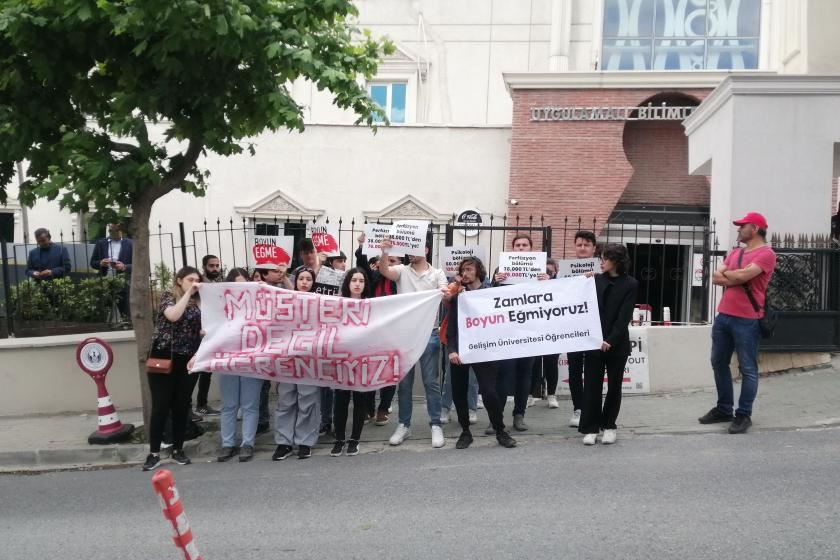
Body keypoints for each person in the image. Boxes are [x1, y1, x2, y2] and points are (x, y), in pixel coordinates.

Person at [700, 212, 777, 435]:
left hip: (747, 318)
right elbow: (715, 277)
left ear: (754, 228)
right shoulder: (735, 252)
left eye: (742, 226)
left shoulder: (766, 254)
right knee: (718, 362)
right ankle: (724, 409)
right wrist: (737, 275)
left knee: (748, 368)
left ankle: (743, 415)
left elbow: (742, 277)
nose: (738, 230)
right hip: (723, 315)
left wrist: (732, 275)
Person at [378, 236, 452, 449]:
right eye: (407, 248)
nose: (409, 252)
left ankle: (435, 424)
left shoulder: (437, 273)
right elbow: (385, 271)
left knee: (431, 382)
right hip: (405, 335)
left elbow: (445, 296)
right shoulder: (401, 270)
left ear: (426, 249)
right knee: (404, 383)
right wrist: (384, 253)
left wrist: (447, 294)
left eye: (414, 248)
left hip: (429, 333)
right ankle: (404, 424)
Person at [447, 257, 517, 449]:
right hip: (461, 350)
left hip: (485, 350)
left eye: (469, 269)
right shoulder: (458, 296)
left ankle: (500, 430)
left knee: (489, 392)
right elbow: (451, 326)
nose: (465, 273)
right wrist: (452, 350)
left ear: (478, 271)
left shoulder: (489, 293)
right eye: (463, 270)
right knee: (459, 393)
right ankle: (465, 432)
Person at [142, 266, 203, 471]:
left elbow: (200, 329)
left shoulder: (198, 303)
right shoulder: (168, 296)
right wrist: (188, 293)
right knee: (160, 406)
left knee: (181, 406)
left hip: (187, 360)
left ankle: (178, 449)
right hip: (164, 358)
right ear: (179, 280)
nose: (194, 283)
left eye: (197, 280)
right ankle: (154, 453)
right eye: (190, 279)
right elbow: (173, 316)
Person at [579, 244, 638, 445]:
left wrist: (610, 339)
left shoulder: (631, 284)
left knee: (614, 386)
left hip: (617, 344)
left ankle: (609, 426)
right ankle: (590, 428)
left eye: (604, 258)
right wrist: (582, 281)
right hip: (594, 342)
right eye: (600, 258)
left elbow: (624, 316)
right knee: (592, 387)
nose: (601, 262)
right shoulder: (594, 280)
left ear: (616, 260)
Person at [489, 233, 548, 433]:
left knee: (525, 374)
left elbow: (552, 296)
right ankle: (496, 418)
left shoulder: (541, 271)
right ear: (512, 249)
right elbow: (488, 298)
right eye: (517, 245)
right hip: (506, 331)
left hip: (530, 330)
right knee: (503, 375)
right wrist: (496, 281)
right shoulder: (501, 270)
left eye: (524, 245)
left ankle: (519, 415)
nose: (521, 248)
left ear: (530, 249)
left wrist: (548, 281)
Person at [272, 267, 321, 460]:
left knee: (307, 401)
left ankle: (305, 442)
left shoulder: (319, 304)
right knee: (286, 401)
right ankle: (284, 443)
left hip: (308, 360)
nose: (305, 282)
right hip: (286, 360)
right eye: (301, 278)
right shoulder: (284, 303)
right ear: (296, 281)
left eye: (309, 279)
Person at [216, 267, 263, 463]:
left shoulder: (260, 304)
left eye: (244, 284)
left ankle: (247, 443)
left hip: (251, 360)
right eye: (236, 285)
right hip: (228, 360)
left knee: (250, 405)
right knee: (229, 405)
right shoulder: (220, 306)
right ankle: (228, 444)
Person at [354, 232, 399, 425]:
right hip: (373, 331)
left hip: (394, 331)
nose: (387, 264)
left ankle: (383, 409)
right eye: (383, 261)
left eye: (392, 261)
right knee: (372, 370)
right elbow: (362, 267)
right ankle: (368, 408)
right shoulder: (373, 279)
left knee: (389, 371)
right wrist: (362, 248)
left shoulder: (401, 280)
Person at [330, 267, 371, 457]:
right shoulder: (337, 304)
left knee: (360, 400)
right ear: (348, 283)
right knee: (341, 400)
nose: (357, 284)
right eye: (354, 280)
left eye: (361, 281)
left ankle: (354, 439)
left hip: (362, 360)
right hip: (342, 359)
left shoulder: (371, 306)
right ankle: (339, 439)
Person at [566, 230, 597, 425]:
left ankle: (591, 409)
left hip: (595, 327)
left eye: (586, 245)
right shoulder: (566, 269)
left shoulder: (601, 269)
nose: (583, 248)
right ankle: (578, 409)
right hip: (573, 327)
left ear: (594, 248)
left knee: (594, 370)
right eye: (579, 245)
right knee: (574, 371)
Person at [254, 263, 289, 435]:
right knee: (262, 384)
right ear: (264, 275)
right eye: (275, 271)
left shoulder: (284, 287)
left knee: (283, 385)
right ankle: (262, 420)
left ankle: (283, 424)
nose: (279, 273)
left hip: (283, 344)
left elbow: (297, 294)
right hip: (263, 344)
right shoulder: (258, 291)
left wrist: (286, 276)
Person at [192, 254, 224, 416]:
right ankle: (194, 406)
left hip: (210, 332)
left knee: (206, 371)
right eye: (212, 266)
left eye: (217, 266)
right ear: (204, 266)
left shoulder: (214, 284)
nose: (215, 269)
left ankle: (201, 404)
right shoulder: (198, 285)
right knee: (195, 371)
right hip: (197, 334)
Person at [90, 223, 133, 315]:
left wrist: (124, 266)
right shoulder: (101, 243)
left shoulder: (130, 243)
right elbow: (93, 262)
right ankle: (106, 322)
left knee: (123, 304)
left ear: (121, 231)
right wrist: (100, 263)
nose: (113, 232)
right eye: (111, 230)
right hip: (105, 277)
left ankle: (124, 321)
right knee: (105, 304)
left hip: (123, 279)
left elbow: (137, 265)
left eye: (116, 230)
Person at [533, 258, 559, 408]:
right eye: (545, 271)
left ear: (555, 272)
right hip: (535, 328)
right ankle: (533, 394)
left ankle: (551, 395)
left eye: (550, 271)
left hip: (552, 329)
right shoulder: (533, 283)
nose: (547, 273)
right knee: (534, 363)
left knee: (551, 363)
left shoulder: (559, 284)